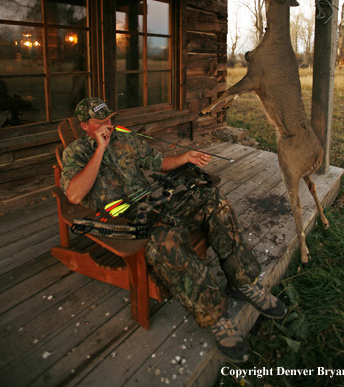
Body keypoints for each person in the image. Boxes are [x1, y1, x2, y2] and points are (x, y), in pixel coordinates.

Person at [61, 97, 287, 364]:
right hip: (125, 220)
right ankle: (216, 316)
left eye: (110, 119)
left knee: (213, 200)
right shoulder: (75, 153)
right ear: (85, 125)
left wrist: (185, 157)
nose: (108, 125)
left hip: (154, 200)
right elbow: (74, 195)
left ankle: (244, 282)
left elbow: (157, 162)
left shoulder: (126, 138)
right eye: (100, 122)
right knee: (166, 240)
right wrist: (100, 149)